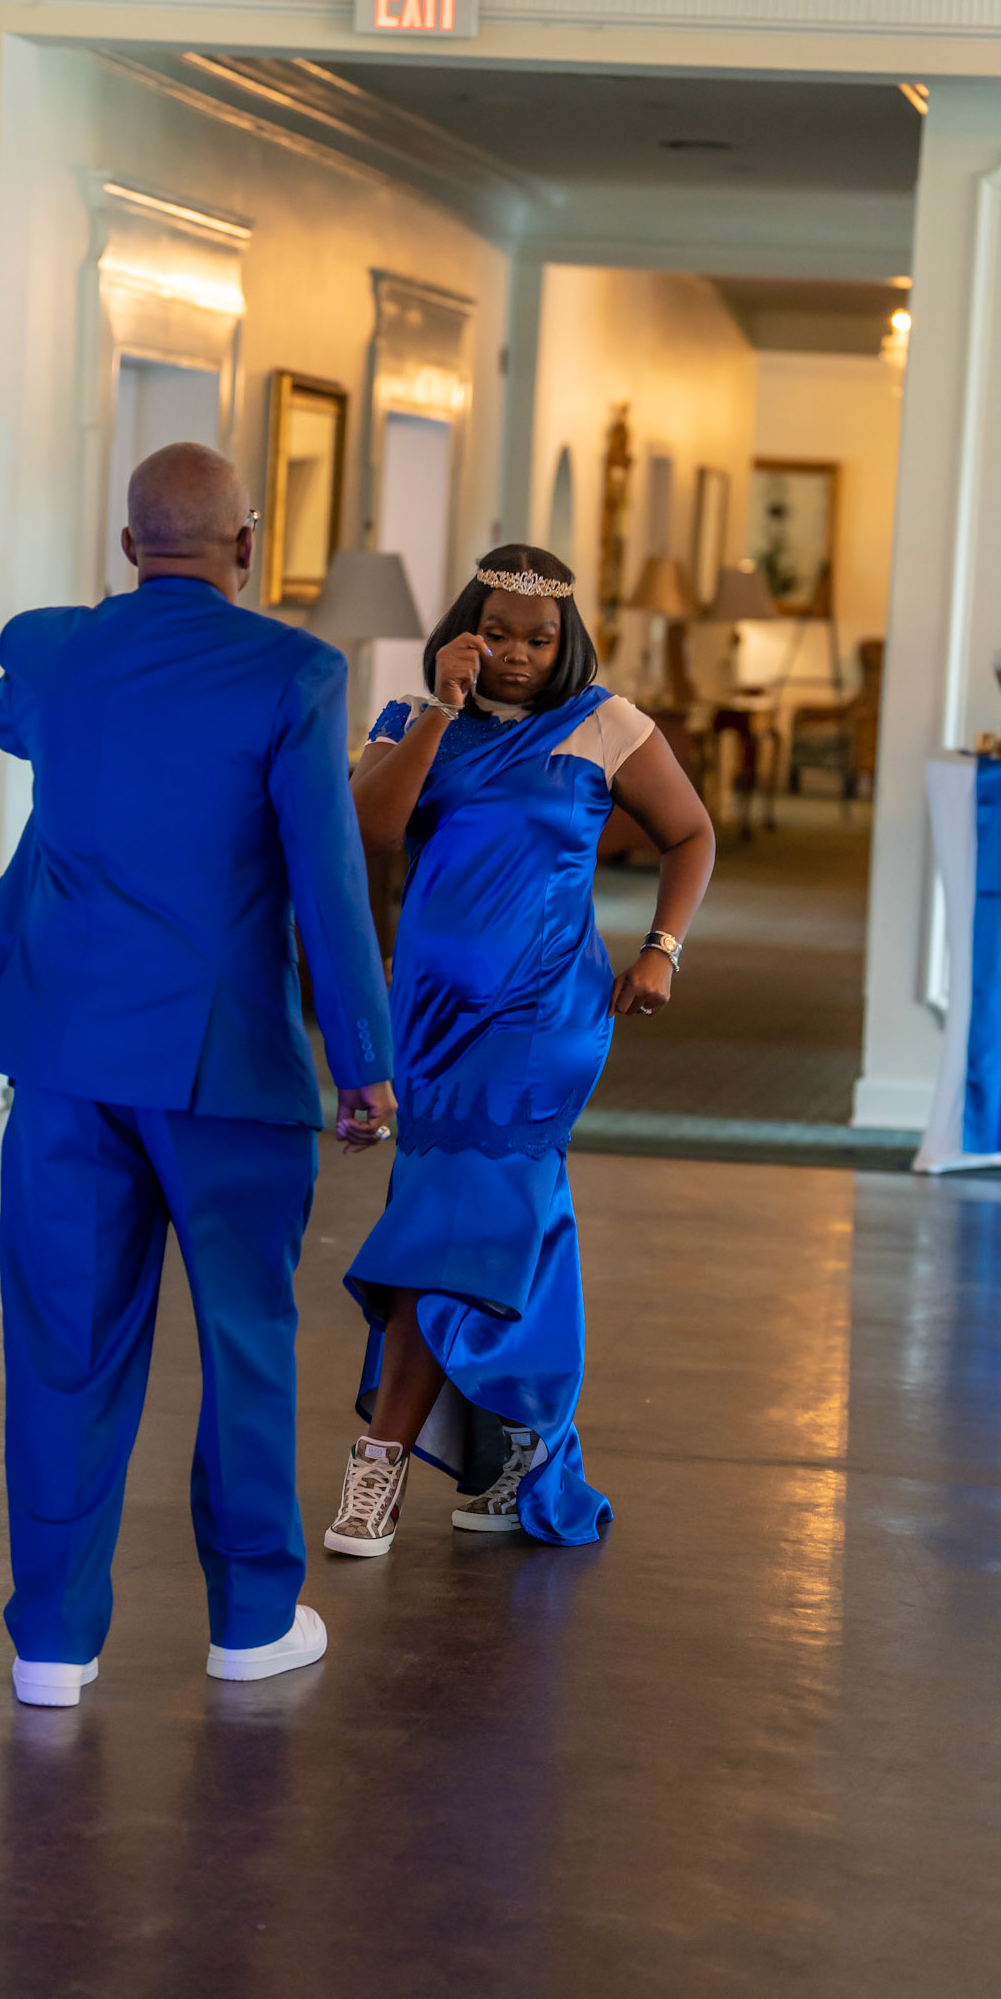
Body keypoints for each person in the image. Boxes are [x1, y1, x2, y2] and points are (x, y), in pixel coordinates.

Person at [0, 443, 396, 1705]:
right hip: (226, 1067)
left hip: (66, 1066)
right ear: (249, 544)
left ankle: (51, 1646)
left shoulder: (62, 657)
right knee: (245, 1340)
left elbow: (11, 700)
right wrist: (363, 1061)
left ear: (128, 547)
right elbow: (328, 879)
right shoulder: (295, 672)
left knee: (61, 1349)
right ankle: (251, 1620)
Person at [323, 544, 714, 1557]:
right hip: (431, 1018)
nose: (517, 655)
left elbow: (690, 832)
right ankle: (521, 1456)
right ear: (464, 631)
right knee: (516, 1226)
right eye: (496, 634)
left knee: (446, 1220)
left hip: (543, 1019)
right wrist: (442, 709)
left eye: (538, 639)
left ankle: (379, 1462)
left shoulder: (605, 723)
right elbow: (369, 829)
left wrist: (661, 949)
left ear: (564, 639)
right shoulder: (410, 719)